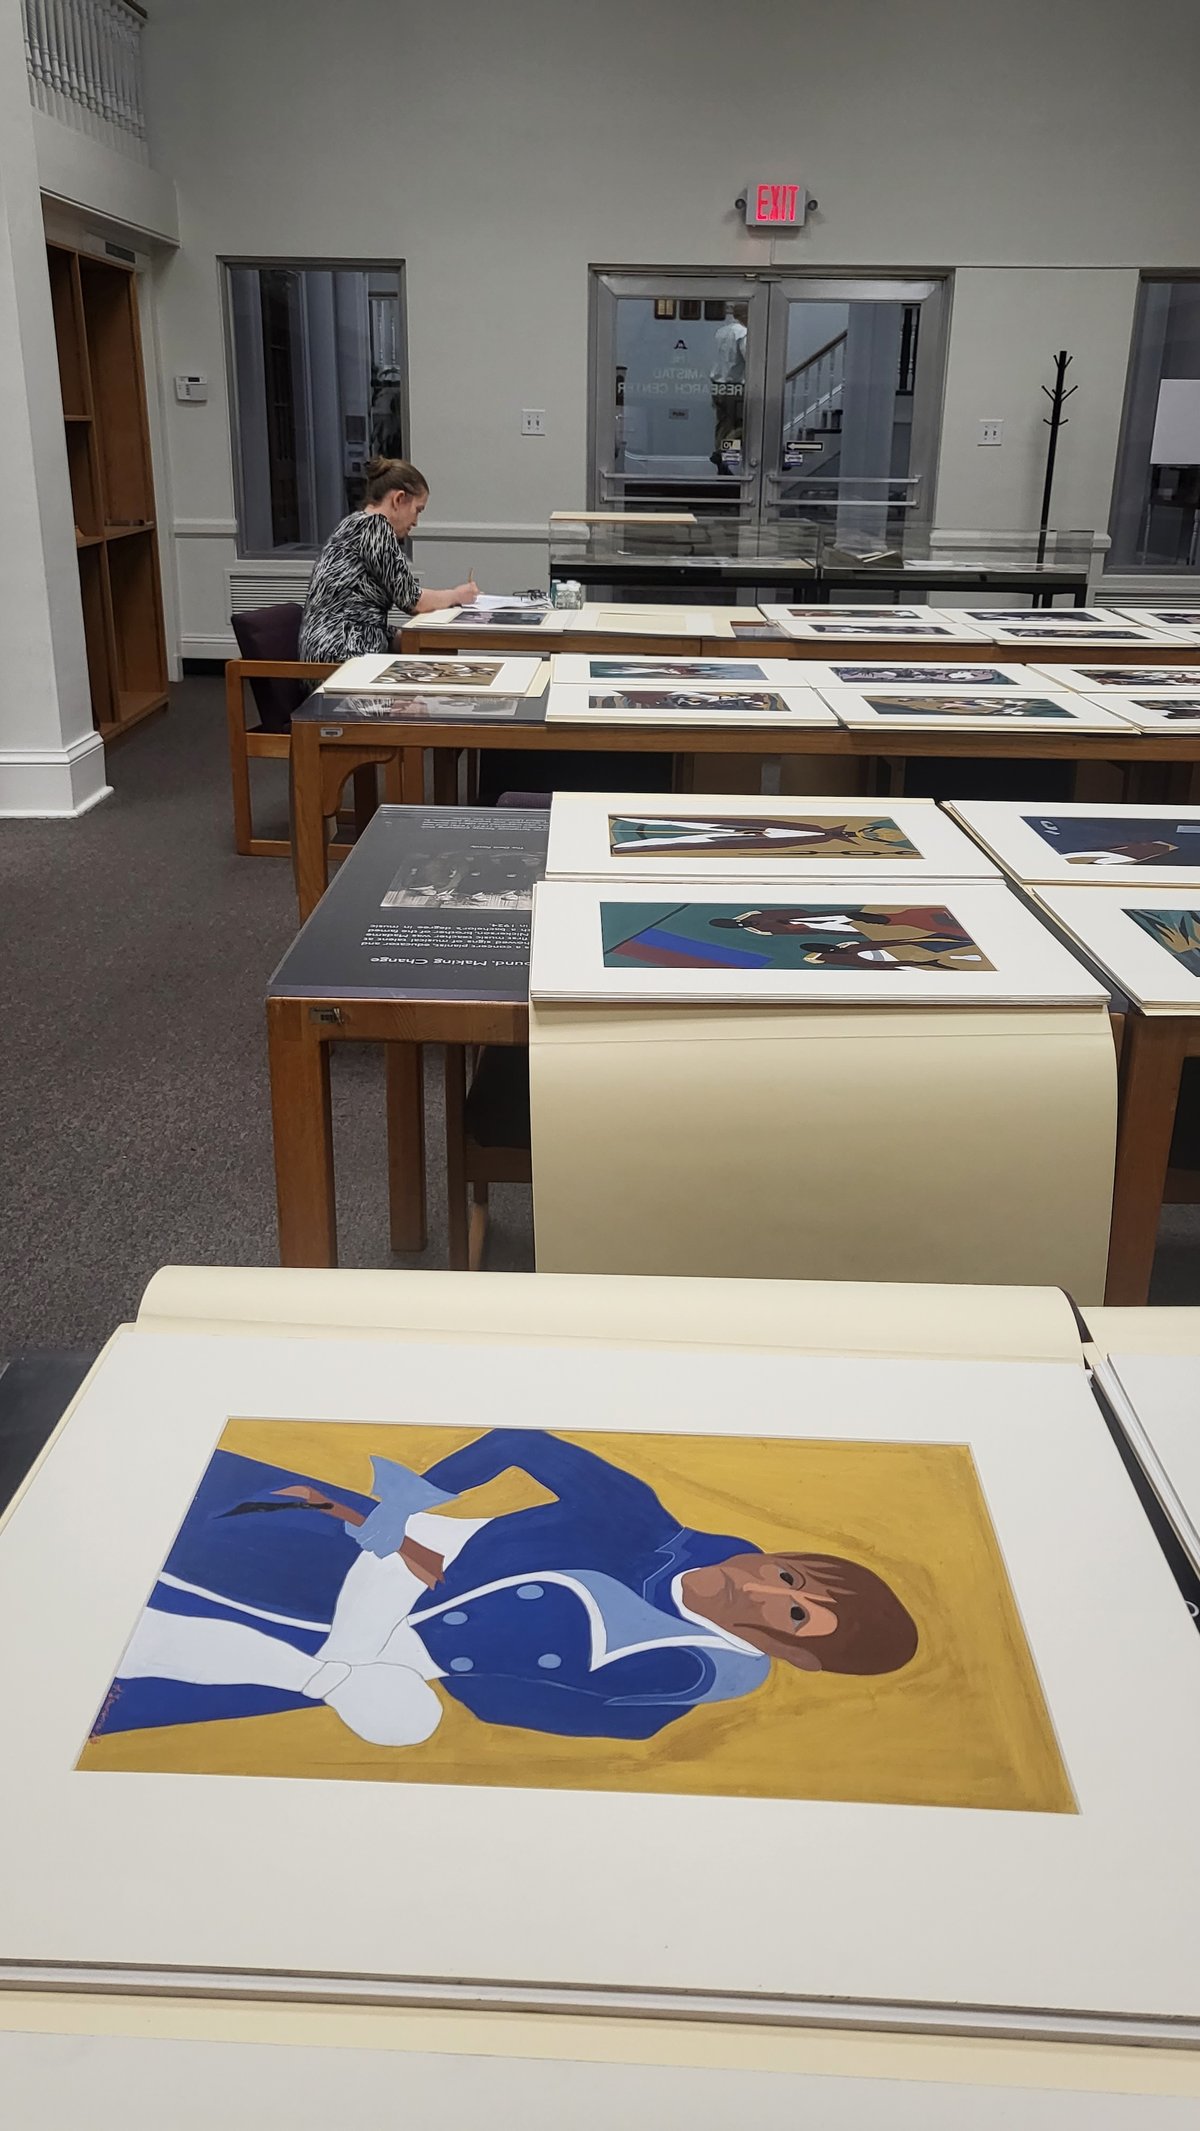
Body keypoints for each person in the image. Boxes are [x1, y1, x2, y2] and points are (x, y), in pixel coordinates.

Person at [92, 1428, 918, 1750]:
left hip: (373, 1669)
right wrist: (413, 1502)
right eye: (791, 1575)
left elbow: (520, 1710)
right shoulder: (644, 1524)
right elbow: (521, 1440)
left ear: (793, 1655)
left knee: (109, 1679)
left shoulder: (668, 1693)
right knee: (123, 1532)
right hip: (340, 1548)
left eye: (798, 1614)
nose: (767, 1591)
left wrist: (420, 1660)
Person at [298, 456, 477, 660]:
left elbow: (364, 617)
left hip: (333, 649)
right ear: (399, 499)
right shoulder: (375, 528)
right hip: (339, 657)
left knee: (430, 651)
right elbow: (413, 600)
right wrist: (457, 595)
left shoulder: (354, 523)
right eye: (417, 510)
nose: (416, 522)